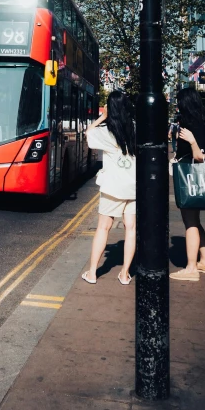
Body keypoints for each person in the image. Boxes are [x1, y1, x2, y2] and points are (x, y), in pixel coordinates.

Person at [82, 91, 136, 286]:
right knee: (131, 229)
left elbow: (87, 133)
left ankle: (92, 273)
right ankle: (124, 274)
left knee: (103, 228)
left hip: (113, 187)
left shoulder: (105, 131)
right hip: (133, 187)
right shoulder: (135, 128)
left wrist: (101, 118)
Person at [170, 87, 205, 281]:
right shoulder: (204, 122)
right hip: (195, 177)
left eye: (179, 102)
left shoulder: (190, 126)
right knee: (195, 221)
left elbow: (200, 156)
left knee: (190, 223)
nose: (178, 105)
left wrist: (192, 141)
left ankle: (191, 268)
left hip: (190, 178)